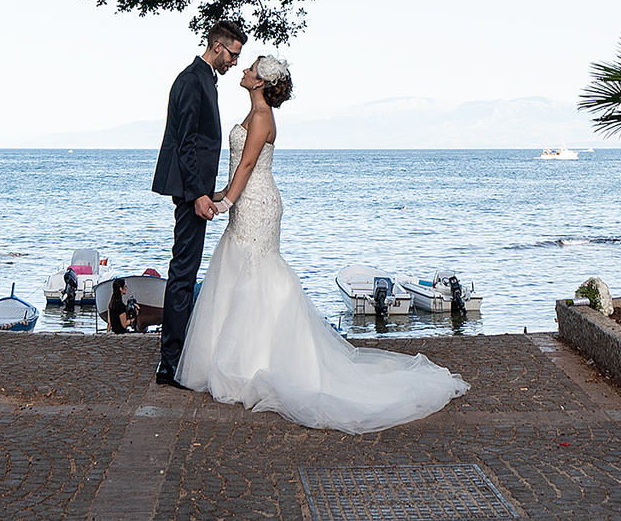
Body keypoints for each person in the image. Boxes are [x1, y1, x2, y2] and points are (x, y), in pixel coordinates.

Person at [176, 55, 468, 432]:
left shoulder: (263, 117)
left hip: (256, 204)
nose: (245, 71)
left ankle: (253, 363)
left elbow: (247, 167)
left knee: (257, 274)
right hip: (245, 201)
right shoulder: (254, 113)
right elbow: (239, 168)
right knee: (240, 273)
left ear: (261, 82)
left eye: (251, 69)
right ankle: (237, 356)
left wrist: (226, 201)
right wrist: (221, 193)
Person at [153, 19, 245, 386]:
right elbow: (188, 142)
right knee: (183, 272)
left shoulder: (205, 79)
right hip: (193, 191)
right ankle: (171, 363)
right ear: (218, 45)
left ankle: (179, 354)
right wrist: (198, 193)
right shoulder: (193, 81)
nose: (235, 62)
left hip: (197, 188)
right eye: (233, 54)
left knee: (185, 270)